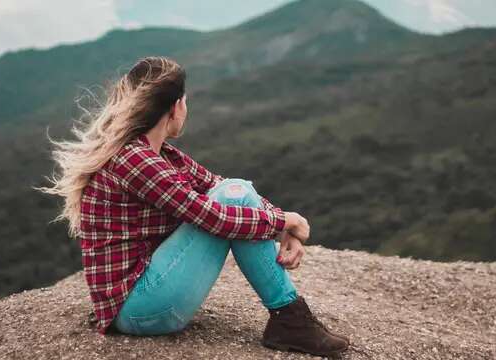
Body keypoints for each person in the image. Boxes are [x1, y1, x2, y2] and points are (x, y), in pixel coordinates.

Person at [35, 56, 349, 357]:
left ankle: (290, 318)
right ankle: (290, 318)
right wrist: (284, 221)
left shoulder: (161, 155)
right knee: (230, 199)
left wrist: (284, 227)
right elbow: (211, 215)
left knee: (235, 188)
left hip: (148, 295)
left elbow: (223, 185)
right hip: (138, 308)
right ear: (175, 107)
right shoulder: (134, 160)